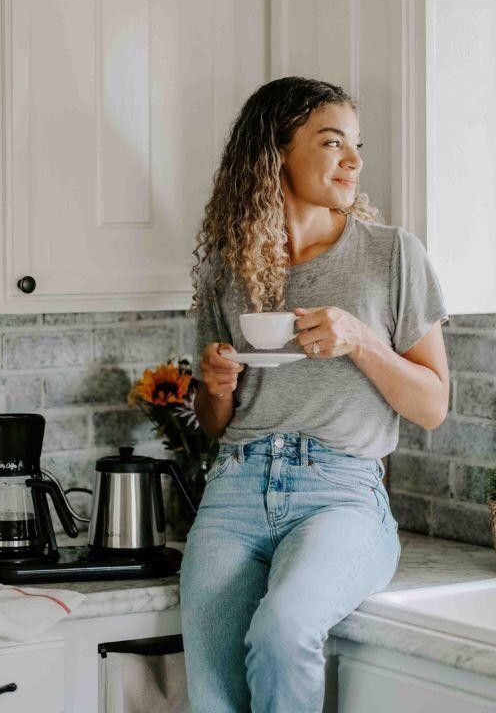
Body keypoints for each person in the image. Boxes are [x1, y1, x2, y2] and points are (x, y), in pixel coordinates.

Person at [179, 76, 450, 713]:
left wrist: (360, 341)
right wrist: (213, 387)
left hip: (342, 494)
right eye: (333, 144)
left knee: (284, 631)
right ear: (275, 154)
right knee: (212, 683)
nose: (354, 161)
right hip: (236, 489)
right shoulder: (228, 267)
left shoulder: (393, 256)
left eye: (356, 145)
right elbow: (216, 422)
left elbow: (433, 404)